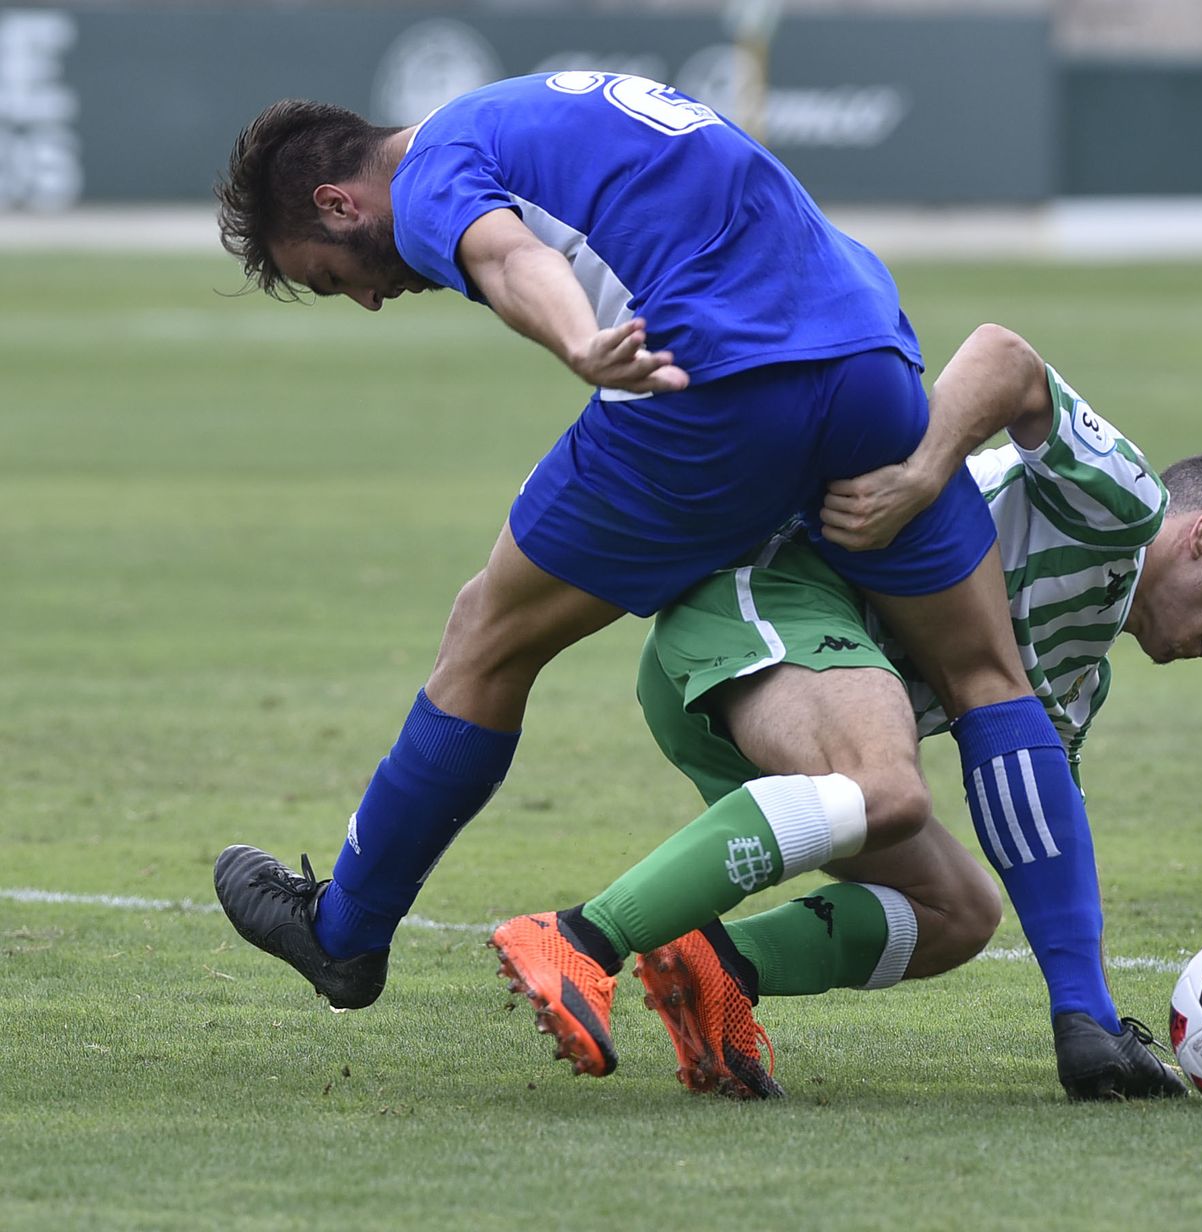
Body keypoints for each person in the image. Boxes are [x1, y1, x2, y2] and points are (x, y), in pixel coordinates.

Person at [208, 72, 1122, 1087]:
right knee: (990, 679)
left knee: (488, 636)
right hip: (868, 363)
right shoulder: (540, 102)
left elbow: (504, 254)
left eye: (336, 276)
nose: (372, 296)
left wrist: (578, 342)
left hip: (709, 383)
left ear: (341, 203)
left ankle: (345, 930)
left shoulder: (426, 171)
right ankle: (1086, 1020)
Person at [494, 324, 1202, 1100]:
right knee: (887, 784)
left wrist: (1088, 1018)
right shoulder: (1123, 505)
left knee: (961, 912)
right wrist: (926, 467)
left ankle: (720, 964)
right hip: (770, 600)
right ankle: (579, 937)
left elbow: (1038, 835)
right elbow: (1005, 356)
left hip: (795, 687)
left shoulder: (1077, 674)